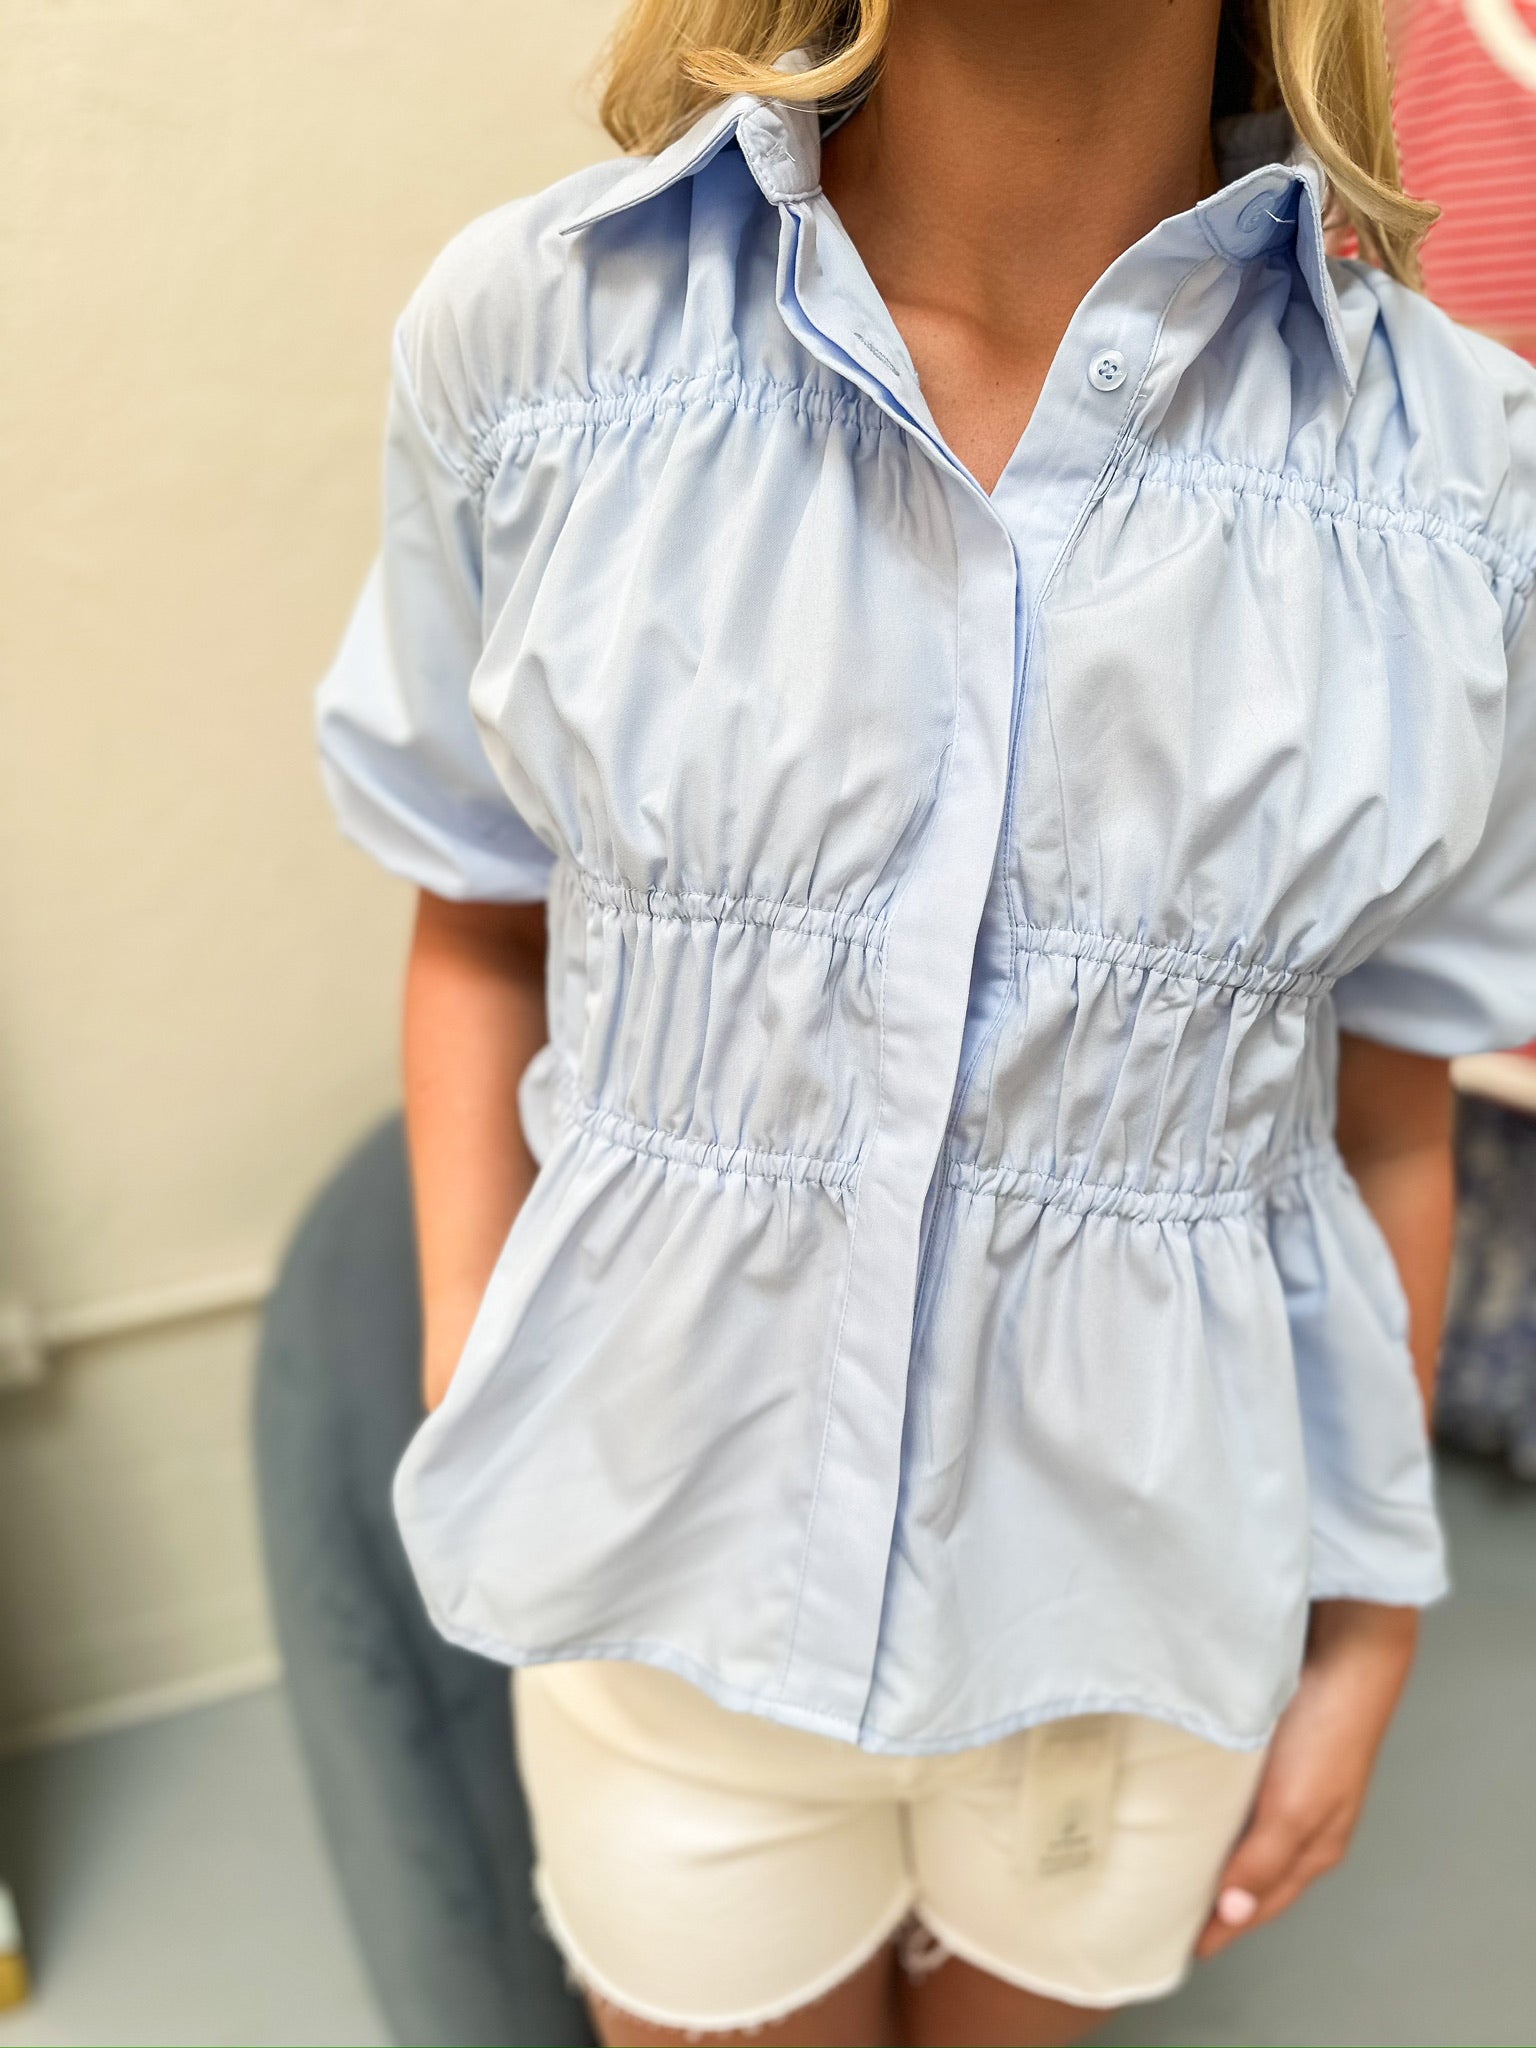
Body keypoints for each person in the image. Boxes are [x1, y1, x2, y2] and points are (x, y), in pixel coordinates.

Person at [315, 2, 1536, 2041]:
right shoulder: (535, 333)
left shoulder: (1471, 480)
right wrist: (475, 1350)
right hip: (661, 1607)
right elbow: (475, 915)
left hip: (1140, 1648)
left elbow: (1395, 1123)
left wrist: (1370, 1613)